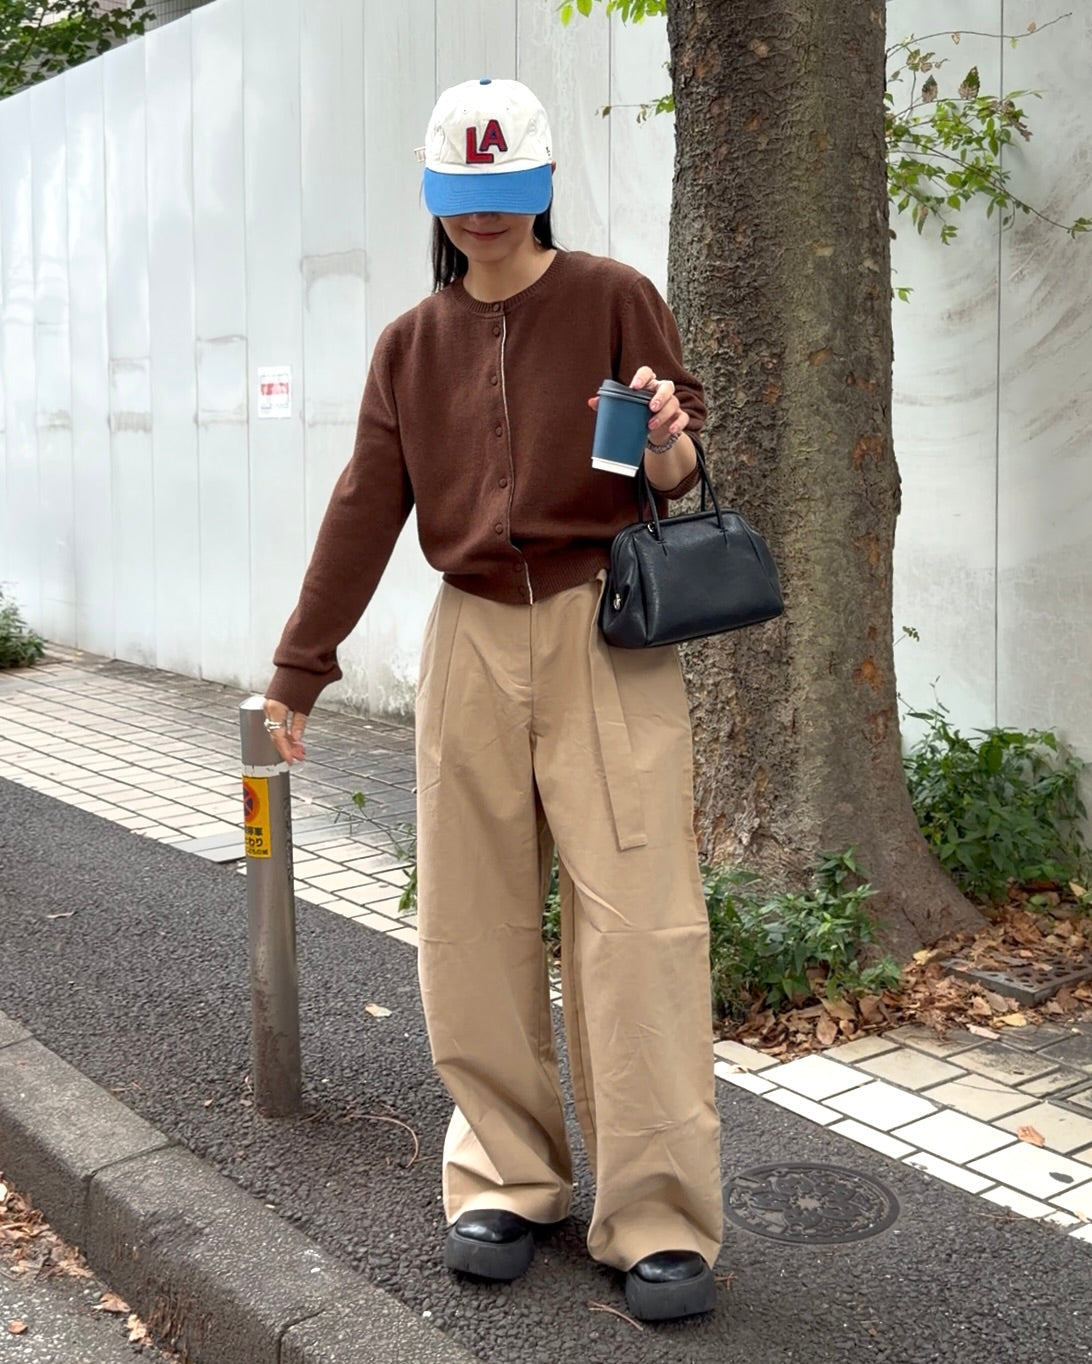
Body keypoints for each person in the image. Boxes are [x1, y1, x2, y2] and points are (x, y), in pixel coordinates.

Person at [262, 76, 723, 1323]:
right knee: (470, 914)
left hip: (604, 628)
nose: (486, 221)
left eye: (506, 197)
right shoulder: (412, 342)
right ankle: (513, 1175)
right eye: (465, 200)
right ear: (438, 196)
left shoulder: (616, 296)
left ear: (542, 188)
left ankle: (660, 1212)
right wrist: (301, 663)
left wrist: (672, 435)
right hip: (472, 629)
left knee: (639, 920)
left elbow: (675, 469)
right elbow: (367, 505)